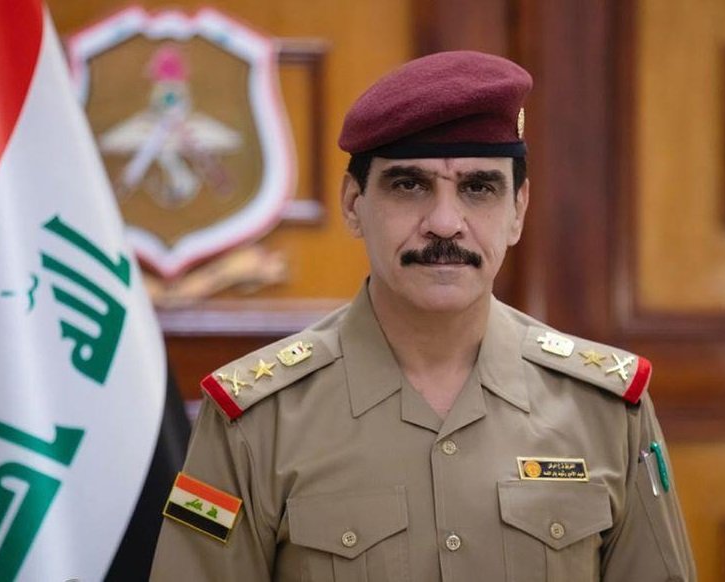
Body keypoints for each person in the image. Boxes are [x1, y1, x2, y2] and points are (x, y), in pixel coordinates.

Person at [150, 50, 696, 581]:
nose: (444, 222)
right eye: (409, 185)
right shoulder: (254, 421)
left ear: (518, 210)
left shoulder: (605, 411)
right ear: (353, 204)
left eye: (478, 188)